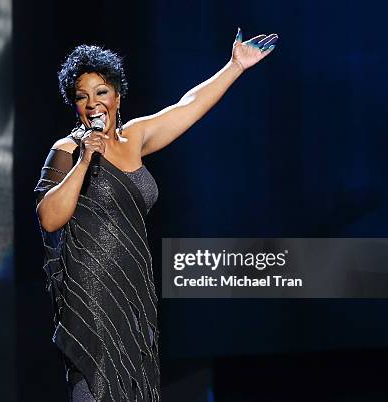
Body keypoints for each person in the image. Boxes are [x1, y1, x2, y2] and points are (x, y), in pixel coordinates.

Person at [34, 27, 278, 402]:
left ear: (117, 95)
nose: (93, 103)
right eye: (82, 97)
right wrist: (84, 160)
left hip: (133, 296)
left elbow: (186, 106)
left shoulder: (135, 138)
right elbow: (49, 217)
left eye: (101, 92)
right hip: (92, 301)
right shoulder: (66, 150)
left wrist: (235, 67)